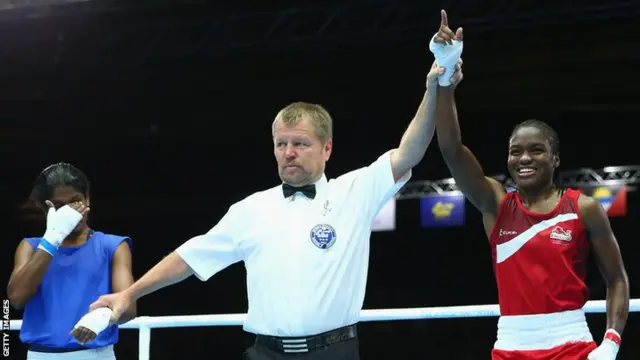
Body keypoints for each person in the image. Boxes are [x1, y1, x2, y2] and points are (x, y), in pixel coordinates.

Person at [85, 60, 461, 359]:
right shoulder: (251, 209)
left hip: (334, 352)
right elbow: (188, 257)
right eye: (281, 144)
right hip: (264, 352)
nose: (289, 152)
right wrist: (128, 294)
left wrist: (432, 87)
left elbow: (410, 150)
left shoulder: (355, 191)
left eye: (300, 143)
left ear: (326, 149)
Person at [431, 10, 630, 360]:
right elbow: (451, 150)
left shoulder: (582, 208)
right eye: (516, 151)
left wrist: (610, 343)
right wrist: (445, 79)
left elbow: (616, 279)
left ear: (554, 159)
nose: (524, 158)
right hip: (510, 347)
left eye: (536, 151)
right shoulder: (496, 203)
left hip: (573, 344)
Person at [6, 163, 136, 360]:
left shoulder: (113, 246)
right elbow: (16, 299)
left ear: (87, 198)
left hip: (97, 355)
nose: (70, 212)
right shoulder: (30, 248)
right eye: (59, 206)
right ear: (45, 208)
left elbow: (129, 307)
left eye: (75, 201)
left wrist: (98, 318)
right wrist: (52, 239)